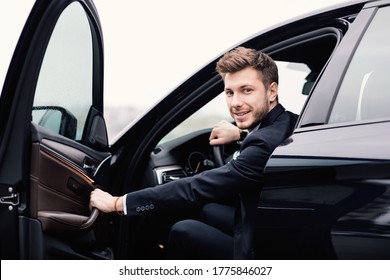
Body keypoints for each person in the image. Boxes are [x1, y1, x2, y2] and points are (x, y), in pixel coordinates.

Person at [90, 46, 298, 259]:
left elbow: (195, 188)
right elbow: (266, 143)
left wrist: (117, 203)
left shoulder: (262, 144)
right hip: (272, 223)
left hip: (259, 253)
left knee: (184, 230)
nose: (235, 103)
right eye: (229, 92)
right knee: (207, 210)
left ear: (272, 91)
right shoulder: (289, 122)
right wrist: (240, 135)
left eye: (247, 90)